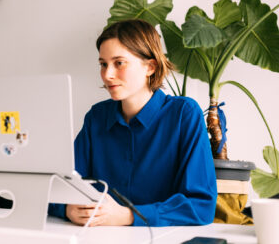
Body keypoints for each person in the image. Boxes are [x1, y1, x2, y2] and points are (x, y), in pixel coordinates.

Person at [48, 19, 217, 226]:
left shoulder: (184, 114)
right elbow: (59, 187)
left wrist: (129, 215)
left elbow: (201, 206)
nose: (107, 75)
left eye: (119, 63)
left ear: (150, 66)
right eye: (103, 64)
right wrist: (67, 209)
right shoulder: (96, 117)